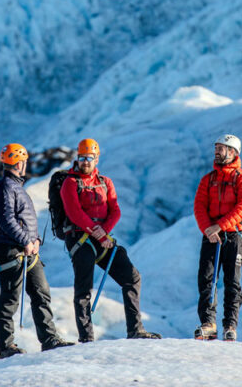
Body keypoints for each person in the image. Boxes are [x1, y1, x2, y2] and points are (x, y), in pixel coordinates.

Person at [60, 138, 161, 342]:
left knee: (132, 278)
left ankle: (135, 329)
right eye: (81, 158)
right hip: (80, 239)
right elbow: (74, 213)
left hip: (102, 239)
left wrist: (103, 233)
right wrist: (99, 233)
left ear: (97, 159)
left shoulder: (105, 183)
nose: (85, 162)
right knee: (84, 288)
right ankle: (86, 337)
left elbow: (115, 210)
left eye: (89, 158)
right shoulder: (70, 183)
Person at [0, 143, 74, 358]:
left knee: (41, 292)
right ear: (19, 163)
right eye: (24, 162)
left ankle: (49, 339)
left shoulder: (13, 186)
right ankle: (5, 347)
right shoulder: (7, 187)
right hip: (12, 249)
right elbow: (6, 220)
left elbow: (18, 220)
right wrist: (27, 241)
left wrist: (34, 240)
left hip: (25, 249)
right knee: (10, 298)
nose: (26, 165)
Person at [193, 134, 242, 342]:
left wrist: (218, 226)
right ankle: (208, 324)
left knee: (232, 281)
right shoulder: (208, 179)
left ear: (233, 152)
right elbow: (199, 206)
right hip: (212, 235)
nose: (217, 151)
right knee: (206, 279)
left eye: (221, 148)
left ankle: (230, 325)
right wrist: (208, 229)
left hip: (234, 236)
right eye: (217, 147)